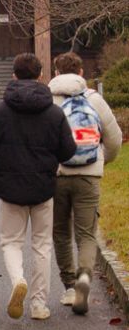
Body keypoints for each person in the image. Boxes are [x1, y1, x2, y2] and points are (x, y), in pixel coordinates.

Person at [0, 53, 76, 320]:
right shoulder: (54, 113)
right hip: (44, 186)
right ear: (40, 76)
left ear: (14, 75)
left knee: (11, 242)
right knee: (42, 245)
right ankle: (38, 303)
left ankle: (17, 280)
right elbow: (68, 151)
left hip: (10, 187)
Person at [49, 52, 122, 315]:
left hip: (57, 175)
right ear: (81, 73)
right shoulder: (94, 99)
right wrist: (102, 161)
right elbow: (114, 139)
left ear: (56, 72)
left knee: (60, 231)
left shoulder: (49, 100)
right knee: (87, 232)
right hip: (89, 175)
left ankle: (69, 286)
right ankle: (84, 276)